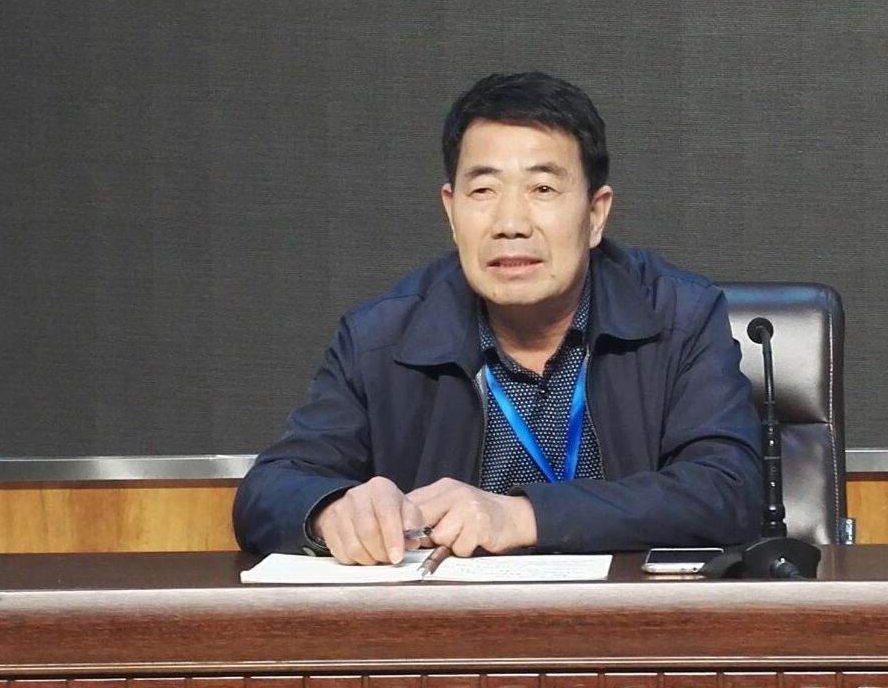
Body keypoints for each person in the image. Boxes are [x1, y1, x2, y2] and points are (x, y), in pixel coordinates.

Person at [233, 72, 762, 564]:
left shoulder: (680, 317)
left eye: (542, 189)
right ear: (451, 210)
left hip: (626, 621)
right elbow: (269, 490)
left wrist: (522, 516)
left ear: (595, 214)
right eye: (483, 190)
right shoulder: (379, 337)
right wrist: (330, 512)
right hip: (448, 627)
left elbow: (728, 490)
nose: (510, 223)